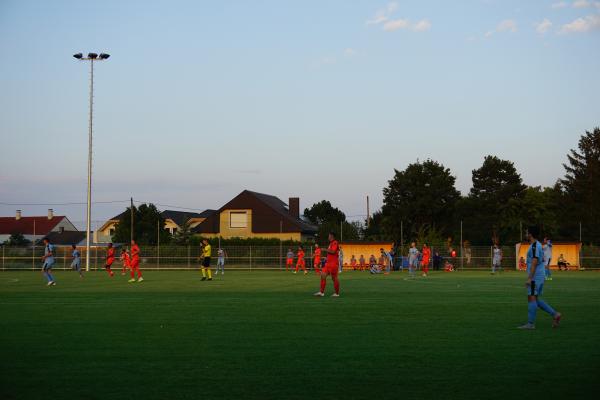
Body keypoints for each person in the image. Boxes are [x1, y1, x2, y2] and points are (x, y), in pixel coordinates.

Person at [518, 226, 562, 330]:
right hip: (539, 275)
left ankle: (530, 324)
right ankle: (555, 314)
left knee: (531, 298)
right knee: (535, 299)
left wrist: (530, 278)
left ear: (530, 234)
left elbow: (534, 262)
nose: (525, 234)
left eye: (526, 232)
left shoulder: (534, 246)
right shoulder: (537, 245)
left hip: (535, 276)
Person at [314, 232, 340, 297]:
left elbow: (333, 251)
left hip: (333, 264)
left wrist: (325, 249)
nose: (328, 237)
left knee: (334, 278)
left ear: (331, 236)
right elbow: (330, 252)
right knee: (323, 275)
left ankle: (336, 293)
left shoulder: (335, 242)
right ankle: (321, 292)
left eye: (329, 236)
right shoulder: (331, 243)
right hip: (328, 264)